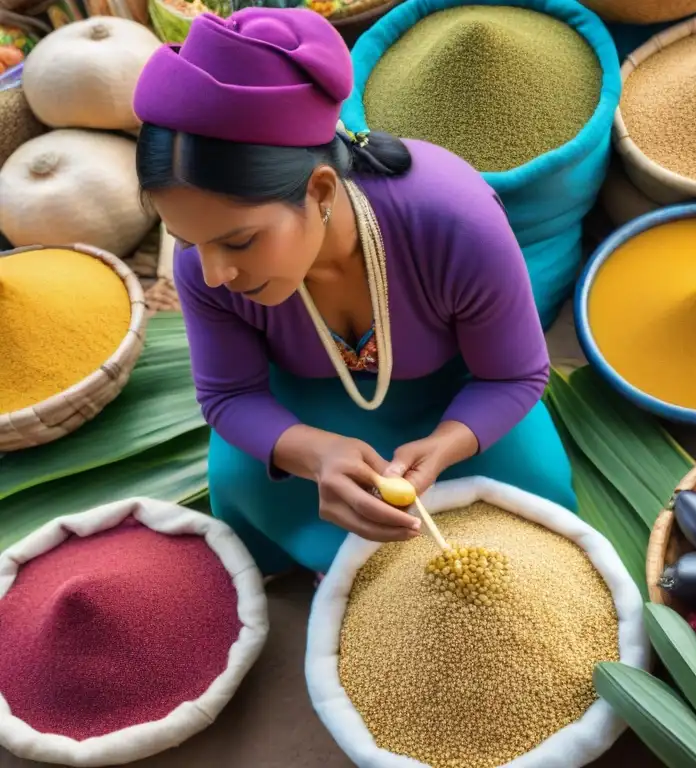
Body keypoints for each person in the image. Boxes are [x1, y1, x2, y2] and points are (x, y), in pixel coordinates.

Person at [131, 8, 576, 577]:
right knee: (240, 480)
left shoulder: (452, 221)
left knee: (531, 483)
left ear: (320, 190)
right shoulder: (205, 265)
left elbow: (513, 376)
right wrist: (315, 454)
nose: (215, 274)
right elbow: (229, 396)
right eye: (186, 241)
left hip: (457, 394)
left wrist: (445, 445)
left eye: (239, 242)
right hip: (303, 407)